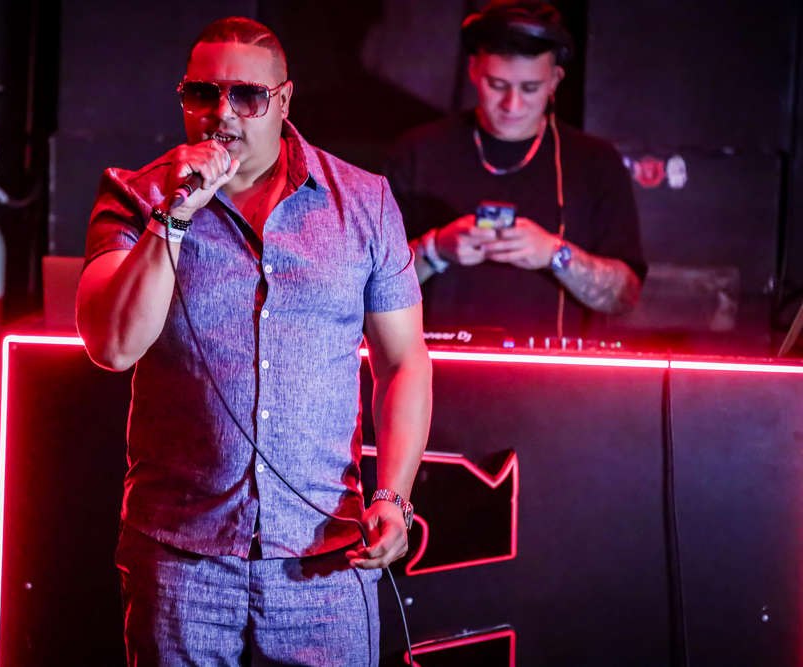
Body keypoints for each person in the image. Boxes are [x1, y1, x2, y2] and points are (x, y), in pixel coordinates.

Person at [75, 16, 432, 667]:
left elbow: (405, 360)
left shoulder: (364, 202)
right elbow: (113, 345)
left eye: (247, 95)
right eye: (202, 94)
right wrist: (175, 214)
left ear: (284, 101)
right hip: (183, 563)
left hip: (325, 560)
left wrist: (393, 495)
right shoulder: (137, 194)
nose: (222, 114)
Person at [386, 0, 646, 340]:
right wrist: (436, 249)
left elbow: (625, 297)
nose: (512, 104)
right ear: (474, 70)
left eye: (530, 88)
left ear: (555, 80)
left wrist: (555, 254)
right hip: (437, 363)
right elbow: (367, 287)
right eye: (497, 84)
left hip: (555, 369)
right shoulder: (417, 152)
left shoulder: (597, 162)